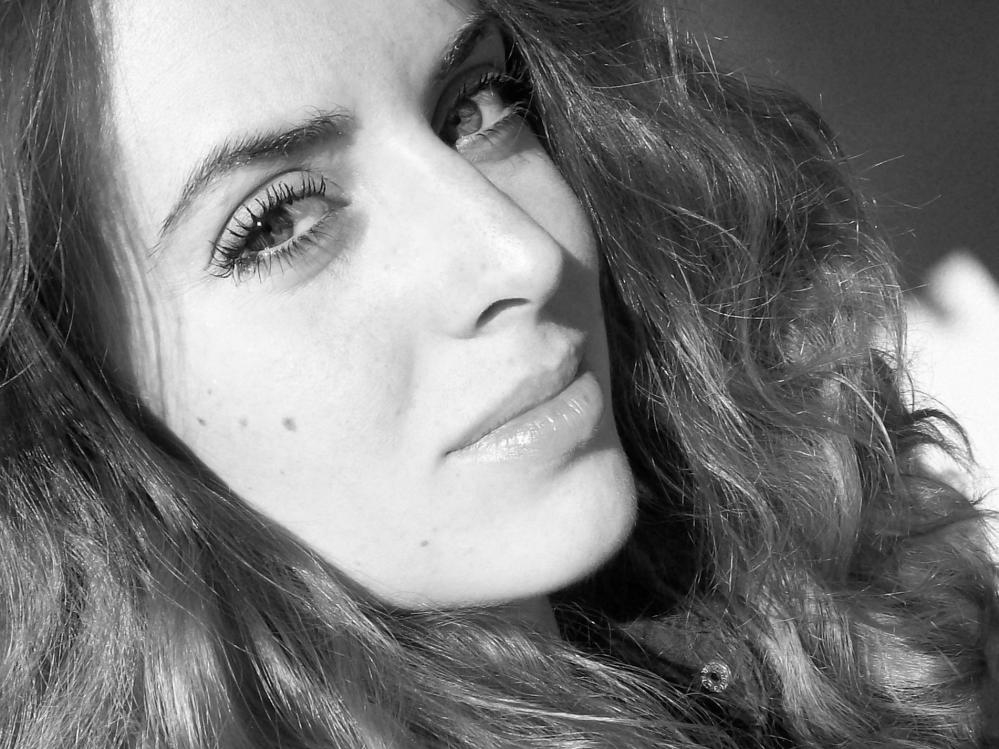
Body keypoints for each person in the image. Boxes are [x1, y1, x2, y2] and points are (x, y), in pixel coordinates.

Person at [1, 0, 996, 746]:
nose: (516, 250)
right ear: (72, 413)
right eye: (278, 222)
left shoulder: (815, 626)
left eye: (473, 108)